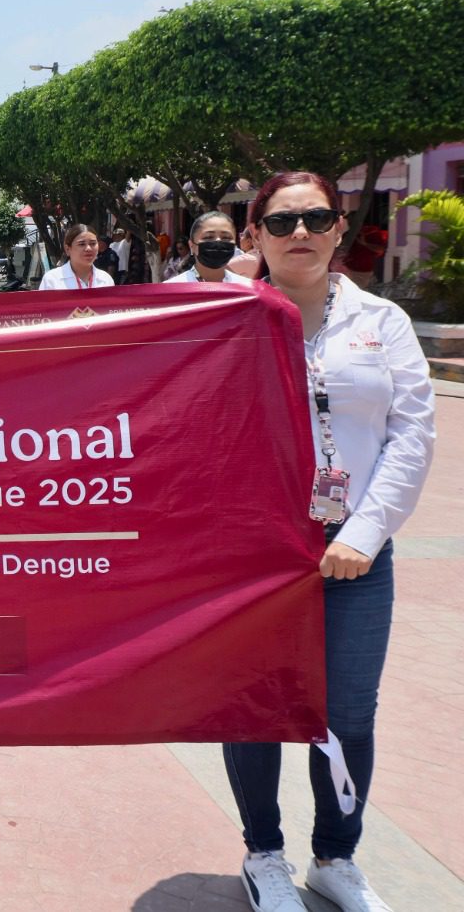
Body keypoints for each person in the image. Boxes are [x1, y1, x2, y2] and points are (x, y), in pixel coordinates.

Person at [221, 171, 434, 912]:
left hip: (355, 554)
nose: (300, 233)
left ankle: (335, 858)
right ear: (255, 236)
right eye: (281, 223)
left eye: (316, 218)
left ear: (340, 229)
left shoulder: (384, 321)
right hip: (253, 554)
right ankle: (265, 856)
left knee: (347, 713)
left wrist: (366, 535)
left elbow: (411, 435)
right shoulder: (223, 319)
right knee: (253, 708)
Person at [165, 212, 252, 285]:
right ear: (191, 246)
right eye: (208, 237)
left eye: (226, 237)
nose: (218, 241)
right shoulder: (171, 290)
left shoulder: (247, 289)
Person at [38, 224, 115, 290]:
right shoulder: (52, 279)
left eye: (93, 243)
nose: (88, 248)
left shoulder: (106, 279)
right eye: (81, 244)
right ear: (68, 249)